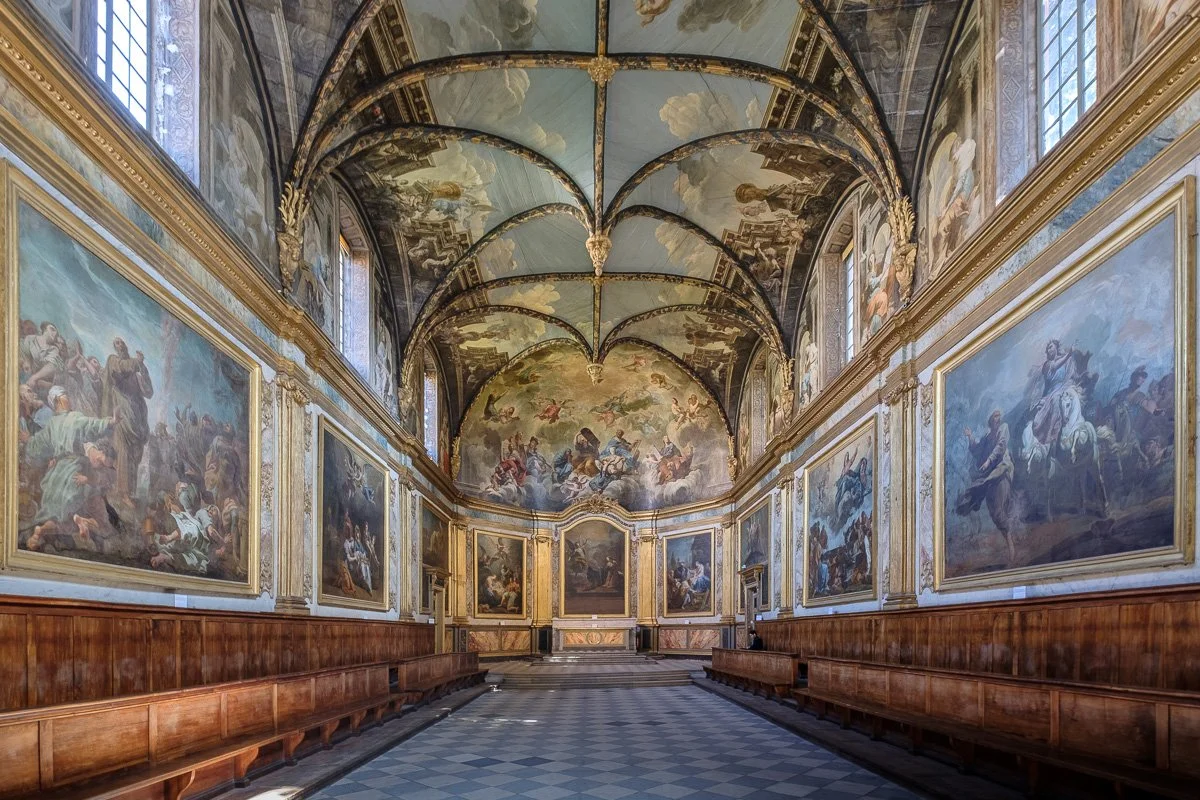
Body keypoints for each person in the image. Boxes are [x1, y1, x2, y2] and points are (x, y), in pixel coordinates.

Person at [956, 409, 1016, 563]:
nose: (997, 418)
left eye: (998, 416)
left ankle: (1011, 545)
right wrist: (970, 437)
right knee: (994, 513)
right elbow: (976, 450)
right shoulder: (987, 437)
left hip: (1001, 471)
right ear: (990, 420)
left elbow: (1001, 447)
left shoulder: (1004, 429)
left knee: (999, 509)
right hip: (989, 477)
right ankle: (1009, 537)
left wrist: (989, 460)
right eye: (994, 416)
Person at [102, 337, 154, 499]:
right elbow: (121, 368)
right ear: (115, 347)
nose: (121, 345)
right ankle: (123, 493)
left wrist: (142, 368)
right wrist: (136, 362)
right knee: (123, 451)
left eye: (122, 342)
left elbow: (148, 392)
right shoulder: (113, 361)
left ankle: (129, 494)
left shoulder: (135, 371)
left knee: (135, 456)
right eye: (117, 343)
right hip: (122, 415)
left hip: (137, 419)